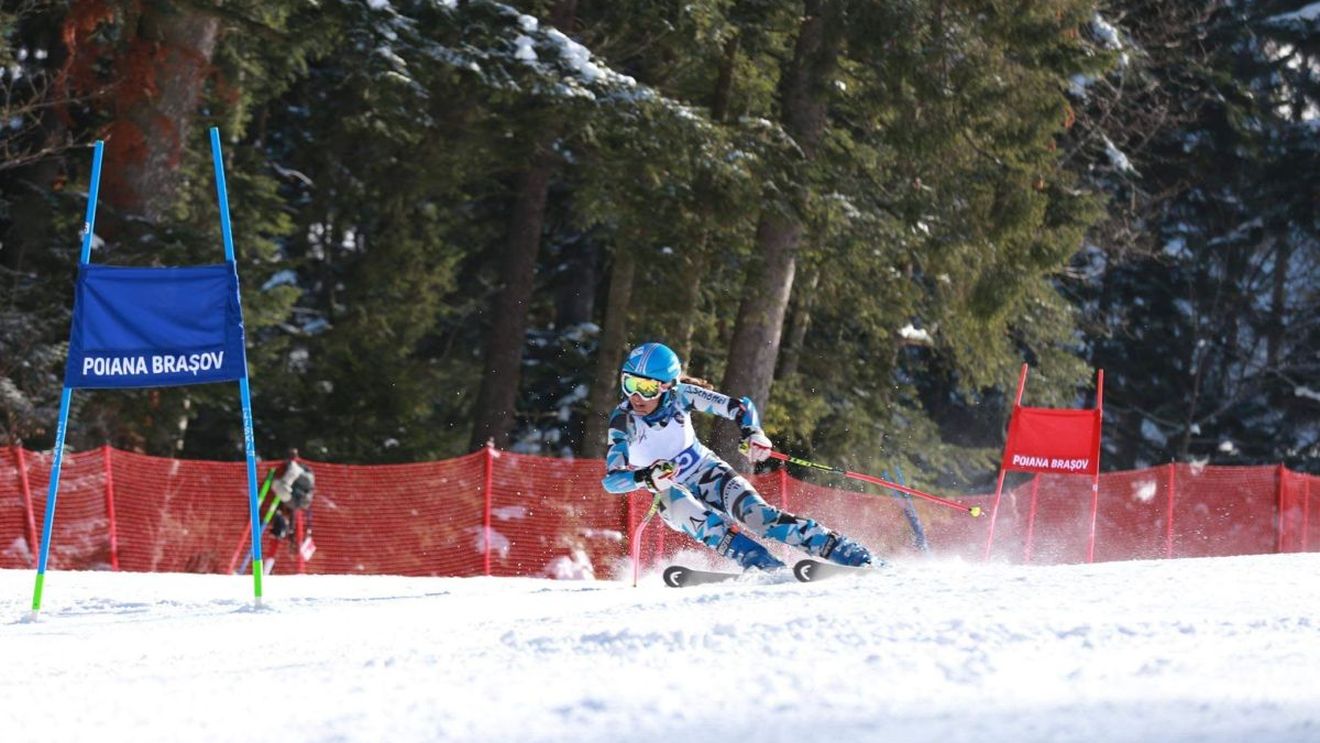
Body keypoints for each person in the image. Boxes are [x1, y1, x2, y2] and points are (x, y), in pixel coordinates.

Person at [601, 341, 873, 570]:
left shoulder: (682, 396)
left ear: (666, 386)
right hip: (667, 489)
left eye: (646, 387)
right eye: (629, 383)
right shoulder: (623, 421)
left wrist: (753, 433)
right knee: (694, 515)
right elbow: (612, 480)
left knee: (760, 517)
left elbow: (739, 407)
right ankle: (761, 563)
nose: (636, 396)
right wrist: (645, 477)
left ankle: (845, 551)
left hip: (707, 471)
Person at [268, 453, 315, 556]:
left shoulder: (299, 474)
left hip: (294, 494)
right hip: (293, 495)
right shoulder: (295, 503)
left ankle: (286, 533)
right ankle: (286, 533)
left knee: (280, 489)